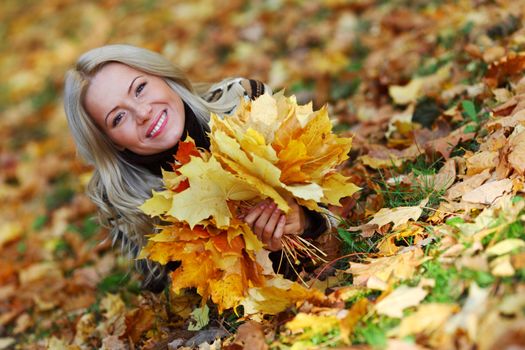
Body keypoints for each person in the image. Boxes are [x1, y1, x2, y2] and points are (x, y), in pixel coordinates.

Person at [63, 44, 335, 293]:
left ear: (163, 77)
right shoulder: (125, 200)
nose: (143, 112)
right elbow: (178, 290)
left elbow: (332, 189)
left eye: (140, 88)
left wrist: (306, 221)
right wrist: (258, 256)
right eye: (118, 117)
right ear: (110, 142)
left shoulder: (243, 103)